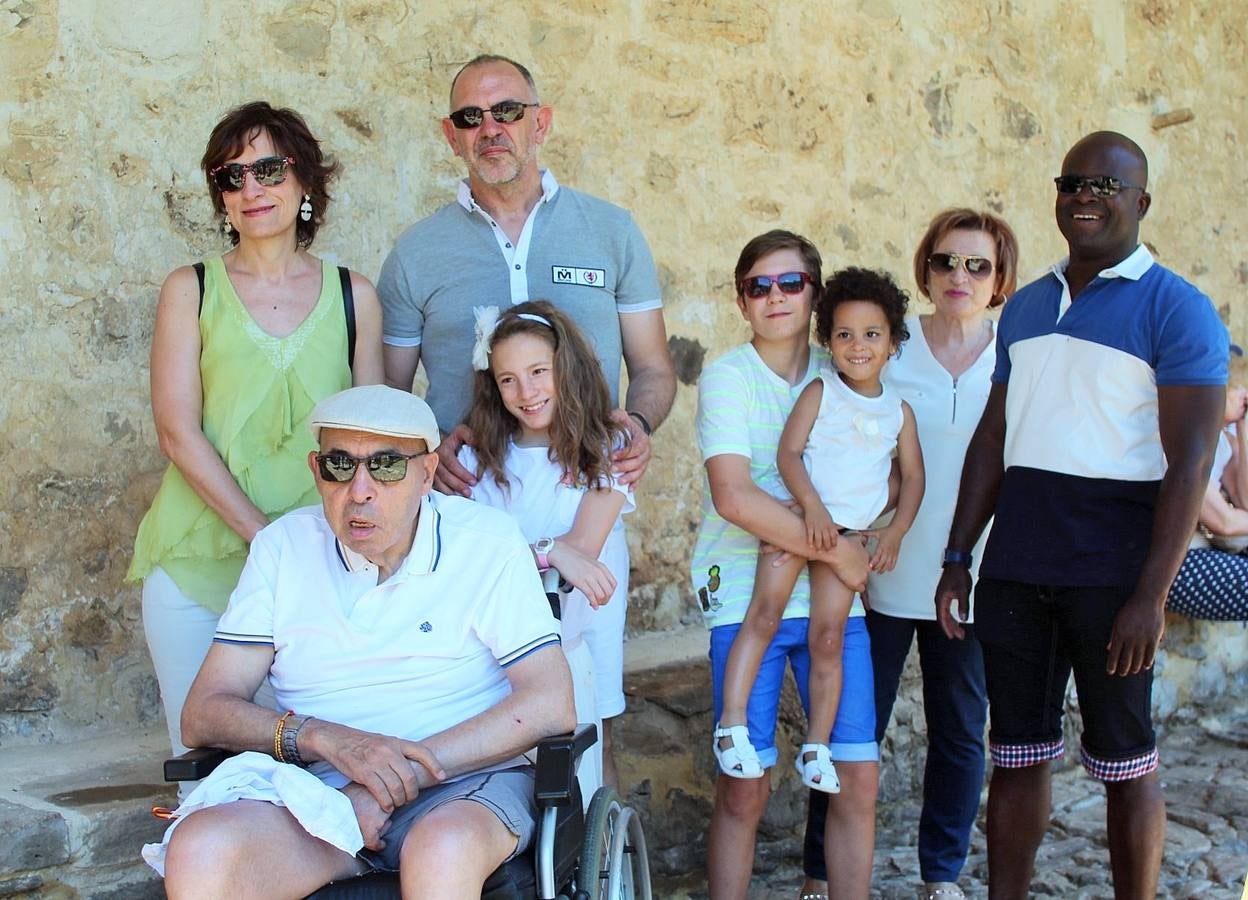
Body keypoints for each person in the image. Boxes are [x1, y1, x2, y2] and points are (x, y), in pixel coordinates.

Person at [934, 132, 1227, 900]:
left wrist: (1150, 598)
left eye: (1106, 183)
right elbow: (994, 439)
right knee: (1018, 756)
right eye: (1072, 182)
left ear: (1141, 202)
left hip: (1113, 569)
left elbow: (1191, 465)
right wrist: (958, 556)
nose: (1085, 196)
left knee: (1127, 762)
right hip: (1019, 561)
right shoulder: (1027, 305)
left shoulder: (1178, 308)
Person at [148, 385, 575, 899]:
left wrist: (395, 780)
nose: (360, 489)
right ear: (316, 470)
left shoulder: (486, 542)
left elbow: (551, 703)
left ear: (427, 472)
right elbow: (205, 711)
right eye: (340, 466)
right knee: (199, 849)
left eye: (387, 465)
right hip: (320, 797)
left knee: (441, 850)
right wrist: (327, 740)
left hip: (462, 785)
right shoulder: (282, 548)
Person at [378, 54, 676, 783]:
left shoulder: (610, 231)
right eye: (472, 118)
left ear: (539, 122)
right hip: (462, 518)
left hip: (582, 511)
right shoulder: (416, 252)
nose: (492, 129)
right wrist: (424, 454)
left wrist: (633, 428)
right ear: (451, 136)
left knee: (587, 716)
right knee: (468, 708)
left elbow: (656, 371)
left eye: (508, 111)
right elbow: (385, 398)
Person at [127, 101, 384, 773]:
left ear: (305, 182)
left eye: (268, 168)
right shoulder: (191, 288)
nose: (251, 189)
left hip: (321, 573)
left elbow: (372, 437)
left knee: (321, 779)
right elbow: (176, 431)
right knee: (205, 775)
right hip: (198, 564)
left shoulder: (356, 296)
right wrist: (265, 539)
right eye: (230, 176)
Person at [804, 209, 1020, 900]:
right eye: (946, 262)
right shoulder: (890, 349)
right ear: (925, 270)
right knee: (848, 731)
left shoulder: (1015, 353)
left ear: (1000, 281)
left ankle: (942, 874)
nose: (960, 275)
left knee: (960, 730)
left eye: (977, 265)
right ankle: (817, 868)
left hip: (972, 578)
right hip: (880, 576)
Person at [693, 231, 878, 900]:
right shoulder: (727, 378)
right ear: (742, 301)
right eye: (758, 286)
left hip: (834, 599)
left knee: (858, 778)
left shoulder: (846, 370)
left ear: (816, 292)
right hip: (748, 595)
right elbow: (734, 496)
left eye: (790, 283)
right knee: (745, 787)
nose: (775, 297)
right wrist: (842, 549)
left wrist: (869, 543)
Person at [713, 268, 924, 799]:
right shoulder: (820, 390)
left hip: (847, 539)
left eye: (872, 335)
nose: (858, 346)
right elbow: (789, 453)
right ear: (827, 340)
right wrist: (809, 509)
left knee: (828, 639)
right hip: (800, 527)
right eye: (844, 335)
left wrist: (894, 531)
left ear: (894, 343)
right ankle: (732, 724)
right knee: (763, 616)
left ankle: (818, 746)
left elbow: (914, 477)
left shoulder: (899, 412)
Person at [458, 300, 634, 800]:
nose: (526, 392)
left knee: (591, 746)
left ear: (566, 368)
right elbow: (472, 558)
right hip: (500, 640)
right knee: (516, 752)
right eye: (508, 379)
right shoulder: (478, 459)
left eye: (539, 372)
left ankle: (600, 869)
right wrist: (546, 549)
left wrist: (557, 550)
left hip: (580, 627)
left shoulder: (608, 447)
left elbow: (581, 552)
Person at [1167, 376, 1248, 621]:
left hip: (1206, 550)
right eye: (1234, 385)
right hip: (1169, 563)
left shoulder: (1223, 439)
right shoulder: (1182, 434)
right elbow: (1224, 522)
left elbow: (1245, 501)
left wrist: (1243, 428)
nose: (1241, 393)